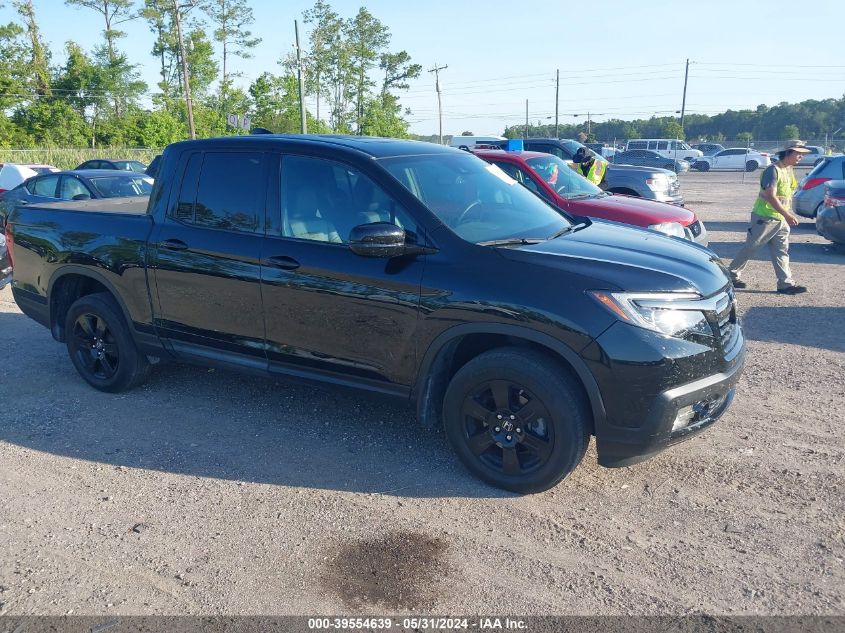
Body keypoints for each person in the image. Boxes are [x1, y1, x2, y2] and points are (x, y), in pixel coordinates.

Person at [728, 140, 810, 295]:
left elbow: (783, 194)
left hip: (780, 219)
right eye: (798, 153)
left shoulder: (788, 170)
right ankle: (730, 276)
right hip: (765, 218)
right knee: (751, 248)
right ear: (788, 152)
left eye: (802, 154)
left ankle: (785, 284)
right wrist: (787, 214)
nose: (801, 157)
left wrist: (785, 215)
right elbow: (770, 195)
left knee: (781, 252)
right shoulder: (773, 170)